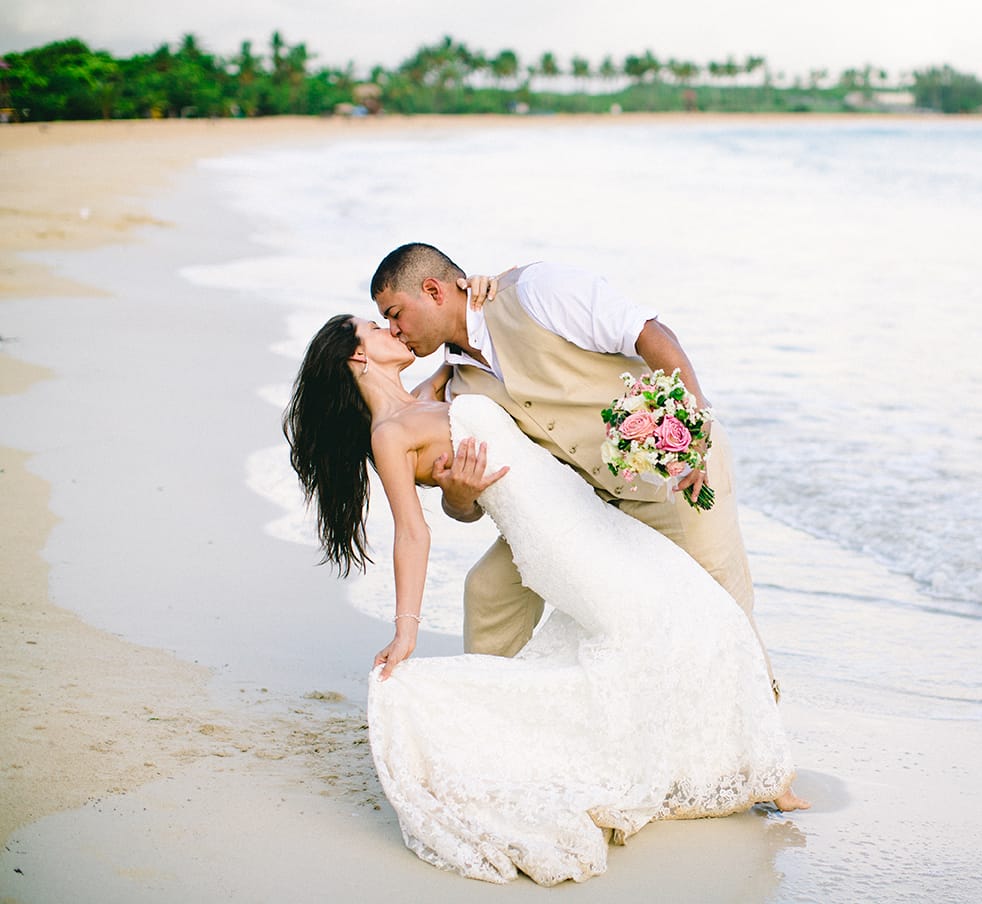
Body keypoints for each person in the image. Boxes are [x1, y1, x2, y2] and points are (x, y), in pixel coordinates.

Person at [283, 315, 807, 884]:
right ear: (357, 360)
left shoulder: (427, 392)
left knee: (698, 606)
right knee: (652, 624)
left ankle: (754, 768)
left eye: (391, 318)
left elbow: (469, 342)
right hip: (554, 540)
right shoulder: (389, 433)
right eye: (375, 328)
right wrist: (406, 627)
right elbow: (414, 530)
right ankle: (753, 774)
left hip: (581, 511)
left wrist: (485, 291)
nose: (393, 330)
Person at [368, 243, 778, 691]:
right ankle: (491, 711)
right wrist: (459, 495)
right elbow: (468, 510)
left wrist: (692, 430)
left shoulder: (536, 291)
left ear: (432, 290)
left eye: (395, 313)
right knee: (488, 589)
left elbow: (652, 335)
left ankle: (758, 719)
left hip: (672, 474)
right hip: (580, 505)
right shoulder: (452, 388)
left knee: (721, 599)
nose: (394, 330)